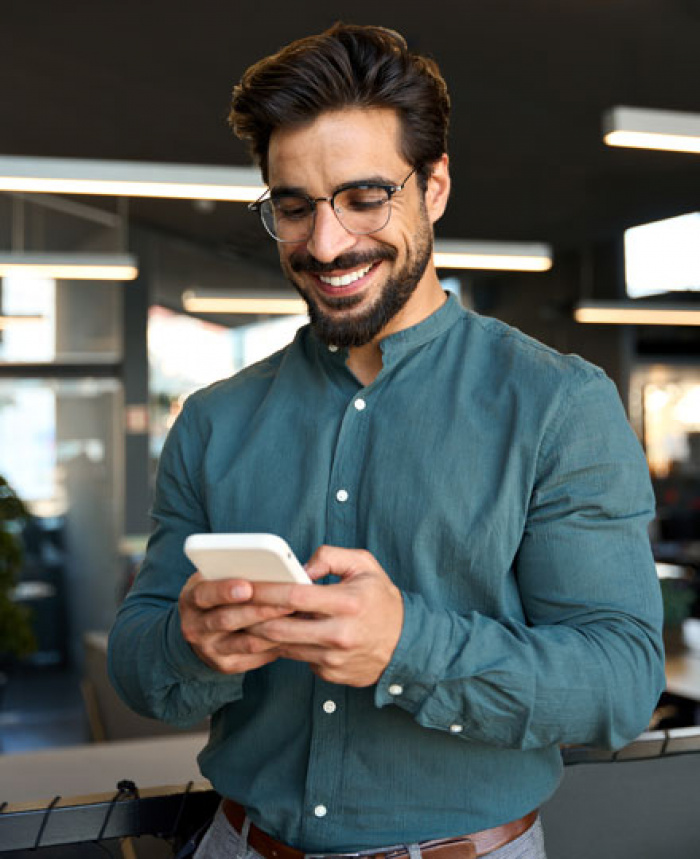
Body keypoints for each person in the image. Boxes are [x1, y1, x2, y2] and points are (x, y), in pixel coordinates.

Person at [108, 22, 665, 859]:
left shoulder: (559, 405)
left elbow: (619, 683)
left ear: (434, 187)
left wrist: (407, 647)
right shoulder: (215, 419)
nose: (326, 243)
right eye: (293, 207)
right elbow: (137, 663)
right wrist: (189, 645)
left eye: (365, 197)